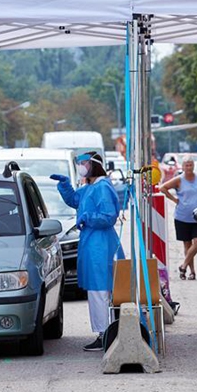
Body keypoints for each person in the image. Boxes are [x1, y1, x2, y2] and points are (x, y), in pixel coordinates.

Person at [50, 151, 121, 352]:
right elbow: (75, 200)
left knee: (99, 290)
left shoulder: (102, 186)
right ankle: (105, 332)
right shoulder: (90, 186)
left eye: (84, 163)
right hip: (93, 242)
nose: (81, 167)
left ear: (94, 165)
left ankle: (104, 334)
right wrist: (65, 186)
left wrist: (88, 217)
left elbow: (108, 216)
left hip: (101, 244)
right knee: (97, 290)